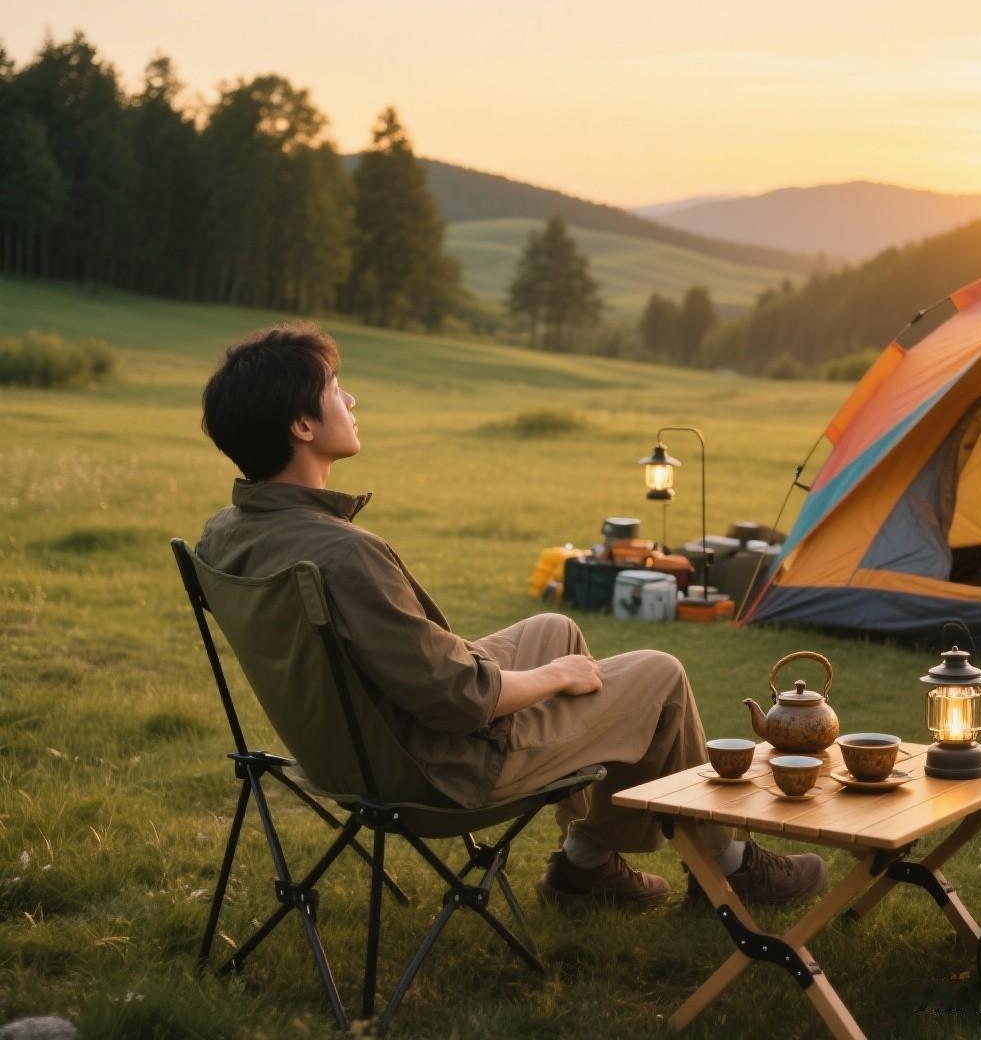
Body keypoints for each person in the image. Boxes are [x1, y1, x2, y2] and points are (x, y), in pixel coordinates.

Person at [197, 323, 826, 911]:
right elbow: (458, 699)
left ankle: (586, 864)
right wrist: (554, 679)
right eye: (336, 391)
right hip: (435, 773)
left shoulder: (230, 535)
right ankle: (729, 865)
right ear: (303, 425)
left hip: (347, 756)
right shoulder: (343, 554)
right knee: (657, 677)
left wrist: (549, 663)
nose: (352, 399)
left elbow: (412, 669)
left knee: (553, 629)